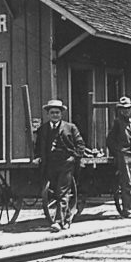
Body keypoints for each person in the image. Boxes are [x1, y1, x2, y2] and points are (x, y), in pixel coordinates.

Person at [34, 99, 87, 232]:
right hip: (50, 164)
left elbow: (80, 145)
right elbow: (38, 147)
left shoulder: (70, 127)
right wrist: (38, 157)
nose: (55, 115)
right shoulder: (43, 129)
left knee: (62, 192)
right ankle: (67, 219)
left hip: (66, 164)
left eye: (57, 112)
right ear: (48, 114)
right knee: (57, 191)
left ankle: (57, 222)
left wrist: (74, 158)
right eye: (52, 113)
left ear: (61, 114)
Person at [106, 96, 131, 219]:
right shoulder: (118, 122)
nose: (126, 111)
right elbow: (110, 140)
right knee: (127, 183)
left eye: (128, 109)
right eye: (124, 109)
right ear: (120, 110)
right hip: (123, 155)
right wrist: (118, 152)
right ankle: (127, 209)